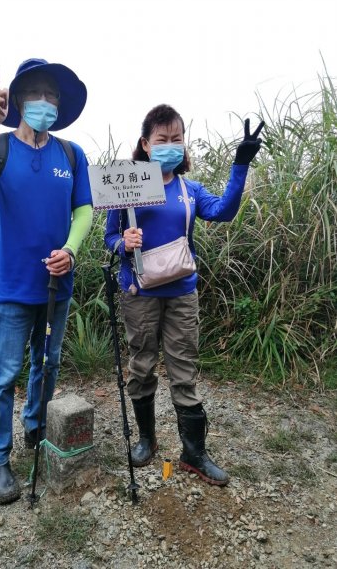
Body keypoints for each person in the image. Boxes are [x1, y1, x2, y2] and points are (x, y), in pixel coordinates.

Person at [105, 104, 263, 486]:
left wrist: (239, 164)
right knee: (141, 364)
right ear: (145, 143)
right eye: (162, 139)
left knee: (184, 369)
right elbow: (109, 238)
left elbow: (223, 211)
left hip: (182, 293)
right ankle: (146, 439)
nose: (170, 145)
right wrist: (123, 242)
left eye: (177, 138)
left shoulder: (189, 190)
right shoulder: (125, 185)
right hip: (138, 291)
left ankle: (194, 452)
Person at [0, 58, 93, 504]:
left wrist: (71, 250)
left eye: (51, 95)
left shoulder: (71, 155)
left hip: (57, 290)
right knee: (3, 376)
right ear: (17, 101)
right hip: (12, 289)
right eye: (35, 93)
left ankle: (35, 427)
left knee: (48, 364)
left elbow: (84, 210)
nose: (44, 102)